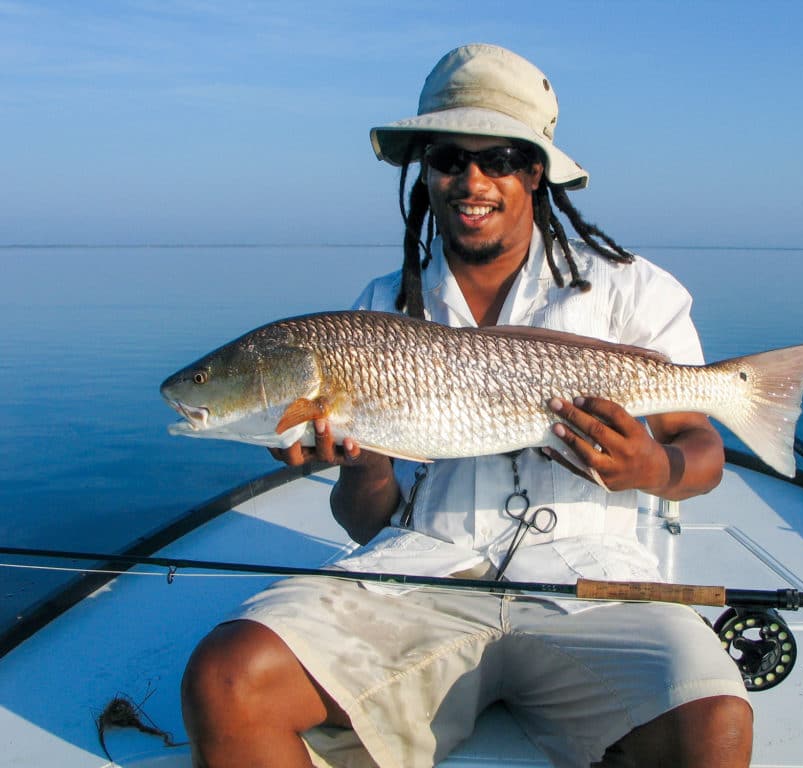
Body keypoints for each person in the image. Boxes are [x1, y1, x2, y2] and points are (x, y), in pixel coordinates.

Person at [181, 43, 753, 768]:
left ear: (535, 170)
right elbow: (367, 521)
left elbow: (701, 454)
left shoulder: (632, 290)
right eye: (450, 159)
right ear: (425, 168)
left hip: (590, 586)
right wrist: (362, 467)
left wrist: (650, 466)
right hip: (422, 575)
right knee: (226, 679)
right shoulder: (376, 311)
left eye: (501, 159)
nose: (472, 180)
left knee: (717, 722)